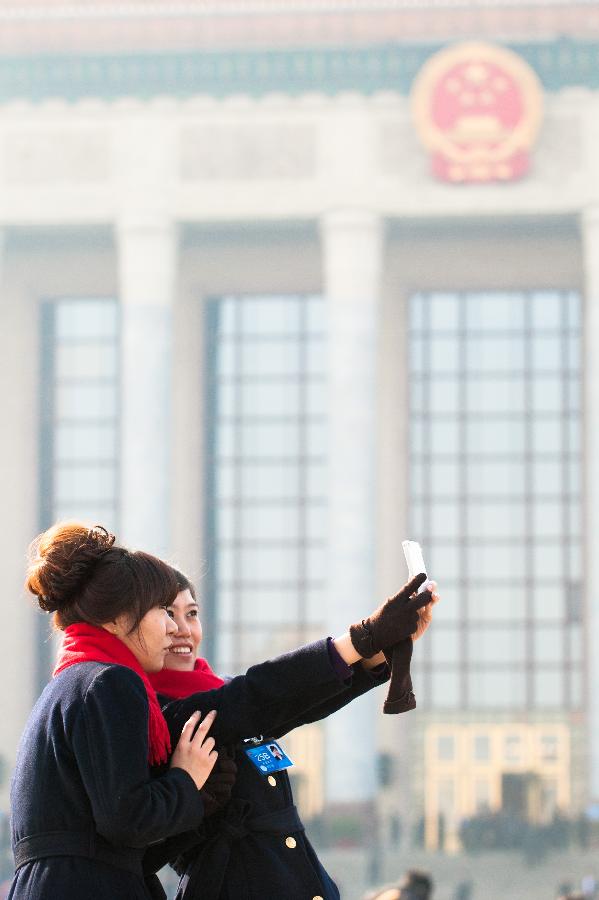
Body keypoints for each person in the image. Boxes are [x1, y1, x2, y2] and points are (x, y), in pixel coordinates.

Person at [149, 568, 439, 900]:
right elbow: (265, 693)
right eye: (168, 615)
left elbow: (298, 702)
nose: (183, 630)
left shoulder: (225, 691)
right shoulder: (153, 713)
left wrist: (380, 646)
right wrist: (366, 636)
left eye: (192, 614)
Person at [8, 524, 220, 900]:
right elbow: (127, 818)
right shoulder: (110, 683)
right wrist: (186, 779)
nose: (174, 628)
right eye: (162, 611)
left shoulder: (70, 682)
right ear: (119, 619)